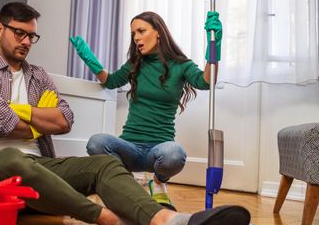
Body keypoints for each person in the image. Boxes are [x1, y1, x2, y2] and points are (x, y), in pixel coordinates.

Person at [0, 2, 249, 225]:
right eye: (19, 33)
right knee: (13, 158)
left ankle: (164, 222)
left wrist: (25, 115)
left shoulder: (38, 76)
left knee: (104, 164)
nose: (26, 42)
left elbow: (65, 120)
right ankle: (109, 217)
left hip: (40, 168)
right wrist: (41, 121)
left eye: (32, 36)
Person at [69, 11, 223, 210]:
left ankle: (158, 184)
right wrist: (91, 60)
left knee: (175, 154)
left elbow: (207, 81)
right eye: (133, 34)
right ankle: (126, 182)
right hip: (129, 147)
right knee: (96, 142)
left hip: (158, 150)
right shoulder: (135, 63)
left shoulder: (181, 65)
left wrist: (214, 49)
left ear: (158, 32)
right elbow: (112, 81)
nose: (136, 38)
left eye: (141, 31)